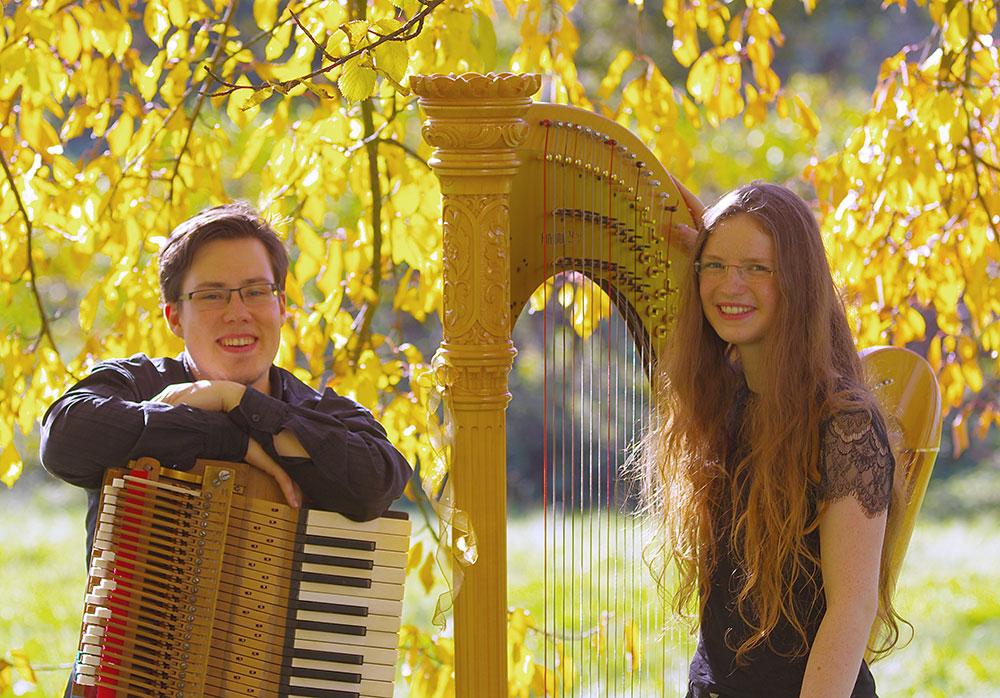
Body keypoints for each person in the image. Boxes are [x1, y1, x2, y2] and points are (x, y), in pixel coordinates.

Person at [643, 181, 903, 698]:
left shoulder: (845, 427)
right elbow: (722, 302)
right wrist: (711, 248)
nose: (729, 285)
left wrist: (725, 253)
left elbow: (852, 610)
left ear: (798, 283)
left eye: (757, 268)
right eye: (715, 266)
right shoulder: (720, 402)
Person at [42, 201, 412, 558]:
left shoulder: (325, 413)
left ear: (281, 306)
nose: (238, 313)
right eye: (212, 295)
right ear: (174, 318)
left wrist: (237, 401)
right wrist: (228, 437)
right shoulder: (135, 386)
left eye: (256, 292)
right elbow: (62, 438)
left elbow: (379, 483)